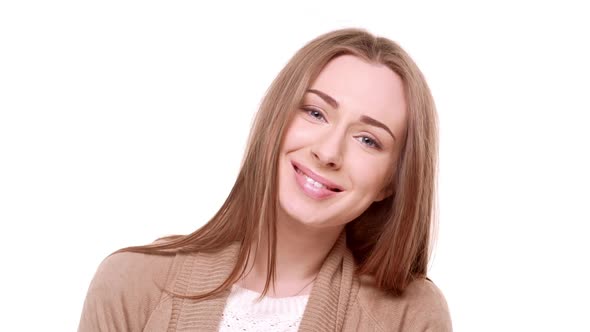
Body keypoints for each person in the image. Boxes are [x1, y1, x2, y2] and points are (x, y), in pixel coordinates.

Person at [78, 28, 452, 331]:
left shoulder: (409, 317)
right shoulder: (131, 285)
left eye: (368, 140)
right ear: (275, 120)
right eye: (315, 112)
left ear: (391, 182)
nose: (328, 152)